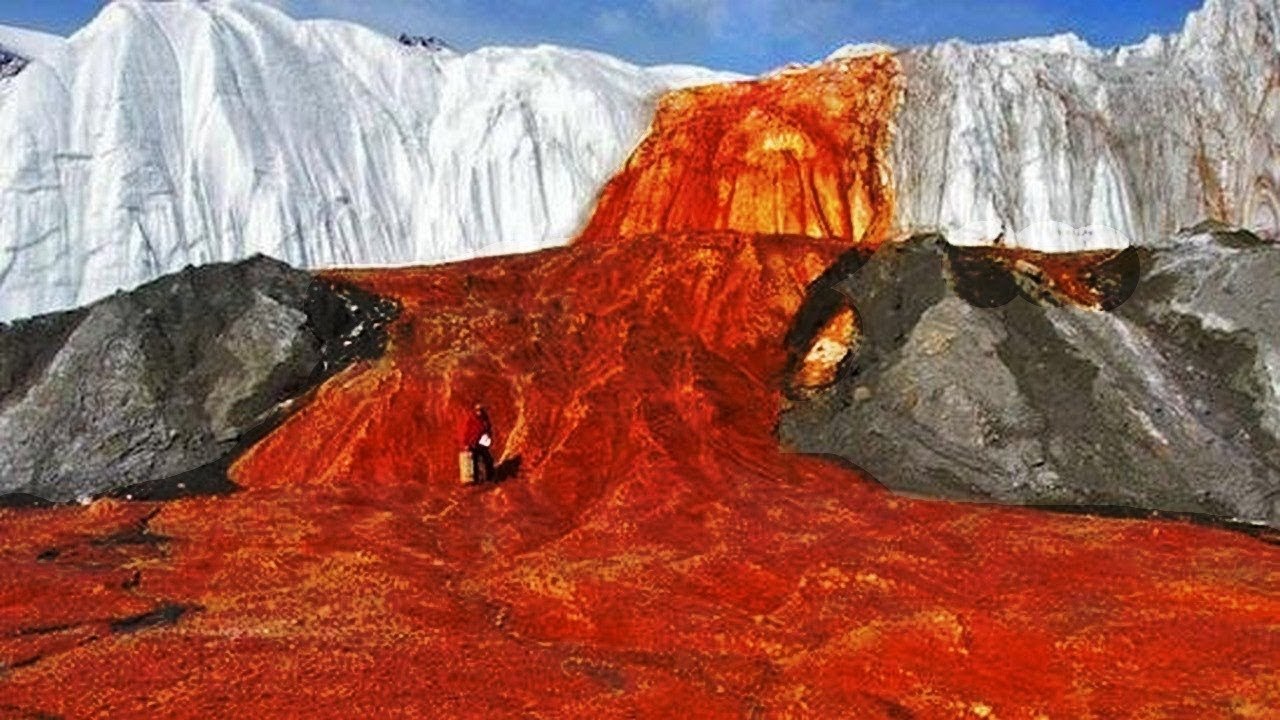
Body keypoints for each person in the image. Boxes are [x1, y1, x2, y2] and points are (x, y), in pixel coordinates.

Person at [458, 403, 495, 484]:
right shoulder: (471, 419)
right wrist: (466, 443)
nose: (479, 412)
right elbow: (466, 431)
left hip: (482, 443)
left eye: (480, 410)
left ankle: (490, 477)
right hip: (473, 443)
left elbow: (488, 430)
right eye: (477, 410)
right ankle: (475, 480)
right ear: (475, 411)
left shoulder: (485, 419)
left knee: (488, 459)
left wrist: (488, 439)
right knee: (474, 461)